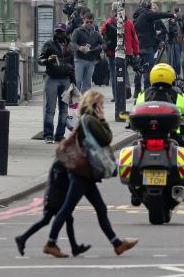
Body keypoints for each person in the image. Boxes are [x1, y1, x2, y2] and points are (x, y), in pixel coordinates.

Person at [43, 90, 138, 258]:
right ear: (93, 105)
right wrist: (102, 119)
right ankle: (51, 243)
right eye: (101, 104)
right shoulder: (91, 120)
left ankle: (117, 244)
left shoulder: (86, 119)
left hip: (85, 172)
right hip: (81, 173)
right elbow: (106, 138)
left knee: (100, 208)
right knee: (66, 209)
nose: (103, 107)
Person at [14, 158, 91, 257]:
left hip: (54, 196)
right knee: (67, 219)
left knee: (48, 220)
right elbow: (59, 181)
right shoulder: (60, 162)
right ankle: (63, 246)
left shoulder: (62, 160)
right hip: (55, 198)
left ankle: (23, 238)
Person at [134, 63, 184, 149]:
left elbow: (135, 114)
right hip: (172, 137)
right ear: (172, 78)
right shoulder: (179, 96)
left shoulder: (142, 95)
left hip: (145, 137)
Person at [38, 24, 76, 143]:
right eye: (57, 31)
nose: (59, 34)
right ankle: (48, 135)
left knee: (64, 109)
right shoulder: (49, 44)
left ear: (65, 33)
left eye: (61, 32)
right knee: (50, 109)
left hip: (65, 79)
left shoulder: (70, 46)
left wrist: (73, 82)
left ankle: (60, 135)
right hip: (52, 79)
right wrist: (47, 60)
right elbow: (40, 60)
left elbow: (73, 65)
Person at [133, 0, 175, 92]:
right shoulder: (146, 14)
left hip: (140, 46)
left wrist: (157, 41)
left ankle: (137, 90)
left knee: (140, 68)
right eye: (150, 6)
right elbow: (159, 14)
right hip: (147, 47)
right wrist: (172, 15)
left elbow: (146, 33)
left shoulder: (138, 16)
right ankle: (148, 90)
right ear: (147, 6)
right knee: (149, 69)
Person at [101, 2, 139, 103]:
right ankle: (126, 86)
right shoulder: (129, 22)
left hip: (112, 51)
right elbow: (134, 38)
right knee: (124, 70)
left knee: (114, 73)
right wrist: (136, 52)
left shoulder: (110, 21)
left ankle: (116, 95)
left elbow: (102, 32)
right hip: (126, 51)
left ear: (113, 11)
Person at [70, 12, 104, 95]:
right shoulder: (77, 31)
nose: (89, 24)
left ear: (93, 22)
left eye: (91, 22)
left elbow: (103, 44)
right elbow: (72, 43)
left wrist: (96, 49)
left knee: (87, 83)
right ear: (83, 20)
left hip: (91, 60)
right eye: (87, 22)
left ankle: (84, 100)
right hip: (79, 59)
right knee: (77, 80)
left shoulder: (96, 33)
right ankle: (75, 101)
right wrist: (79, 48)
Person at [167, 7, 184, 78]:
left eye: (178, 12)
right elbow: (168, 31)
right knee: (171, 59)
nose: (177, 13)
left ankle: (178, 74)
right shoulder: (170, 20)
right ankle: (171, 73)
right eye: (176, 12)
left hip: (179, 41)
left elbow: (182, 28)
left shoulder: (180, 20)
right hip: (172, 41)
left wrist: (179, 20)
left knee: (178, 59)